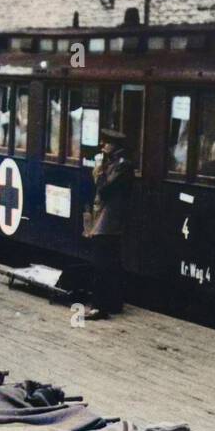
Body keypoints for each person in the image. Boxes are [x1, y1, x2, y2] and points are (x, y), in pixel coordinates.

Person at [84, 128, 131, 320]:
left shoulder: (121, 165)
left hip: (108, 220)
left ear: (114, 145)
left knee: (101, 263)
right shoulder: (115, 163)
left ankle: (99, 306)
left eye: (105, 143)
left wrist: (100, 170)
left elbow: (104, 190)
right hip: (106, 219)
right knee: (111, 263)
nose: (102, 146)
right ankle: (113, 303)